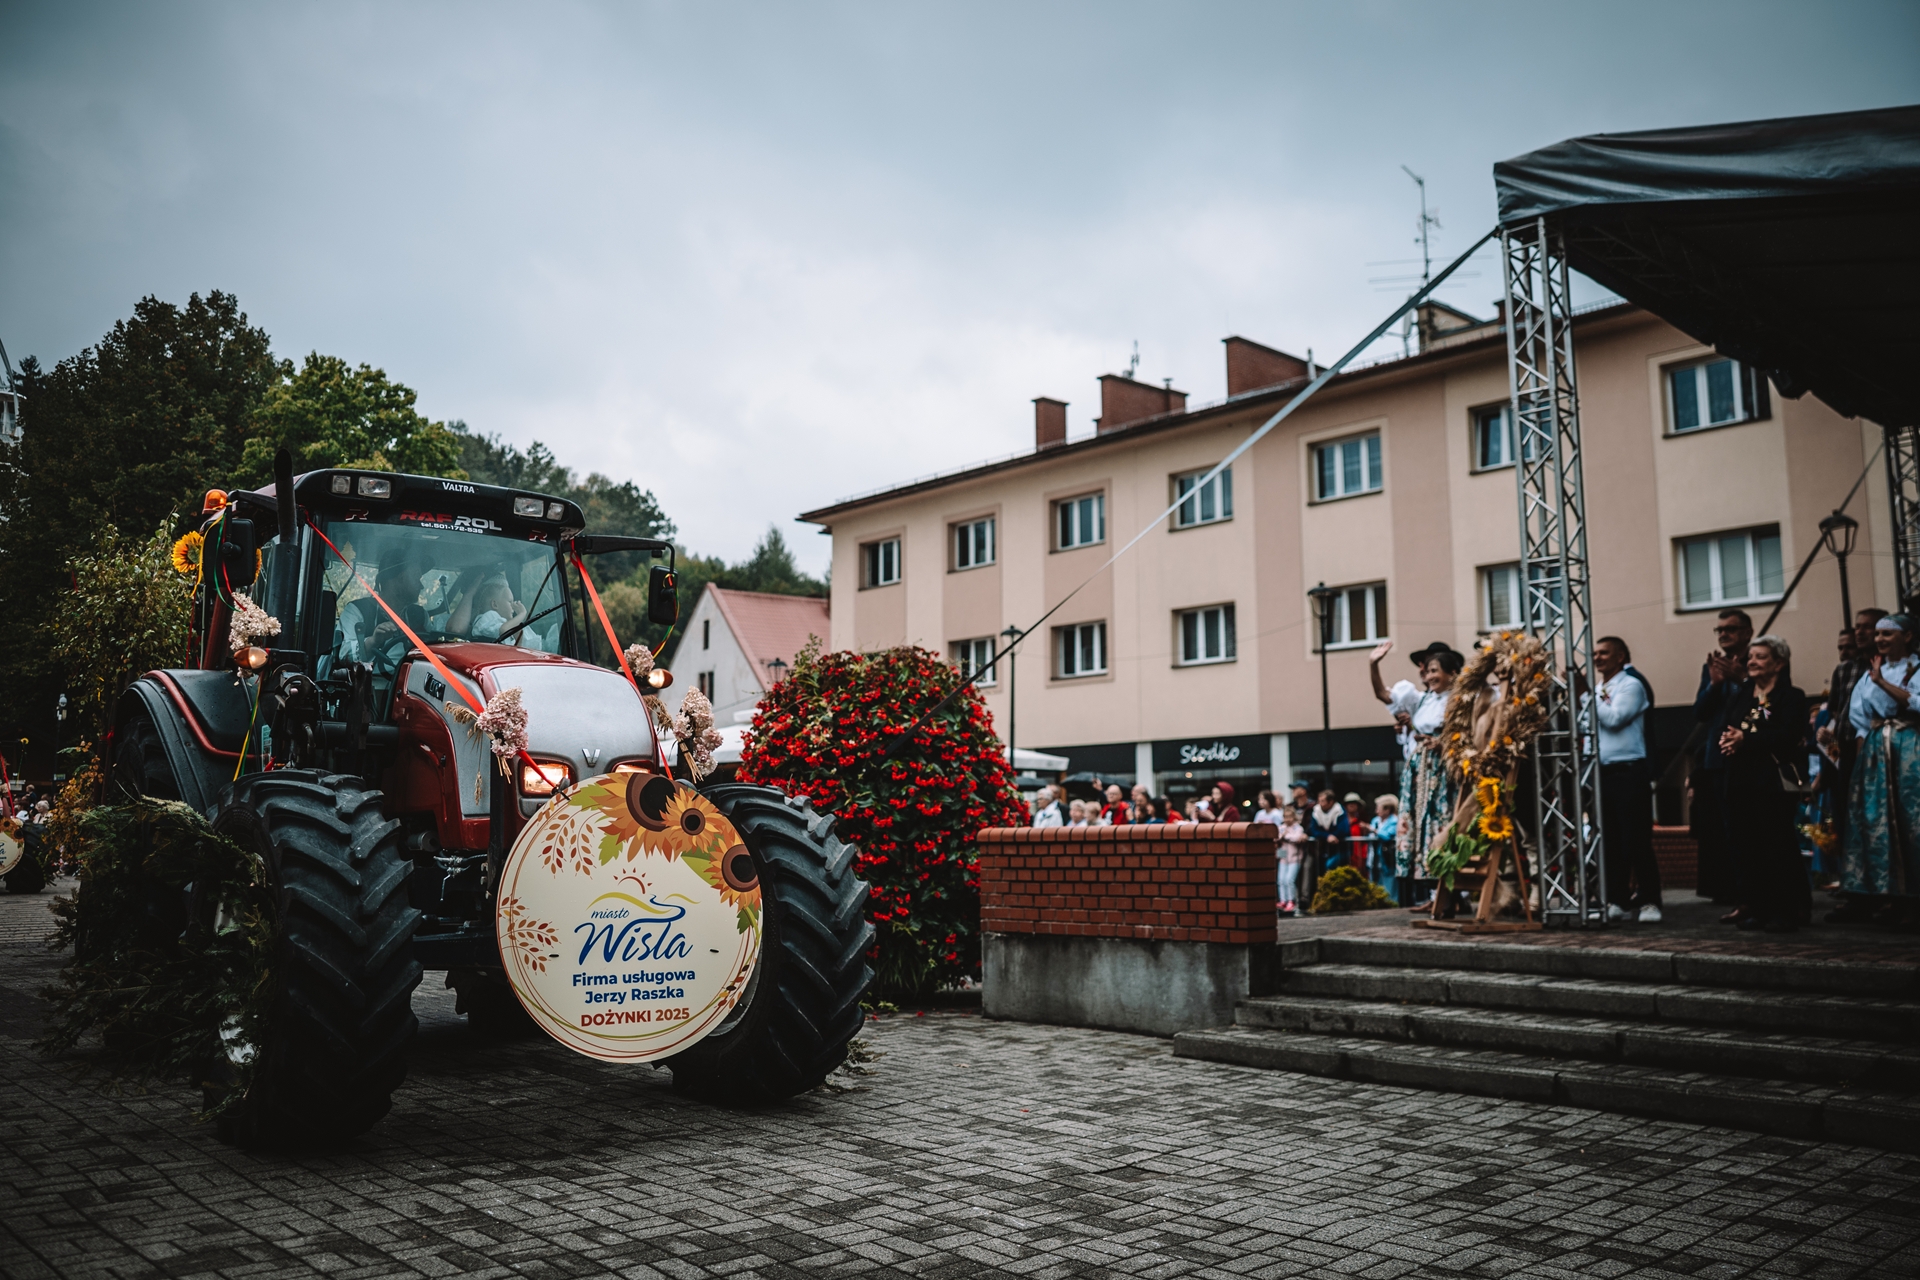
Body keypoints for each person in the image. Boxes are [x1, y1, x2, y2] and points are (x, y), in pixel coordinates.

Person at [1717, 636, 1811, 932]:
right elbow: (1728, 724)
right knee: (1748, 846)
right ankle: (1759, 908)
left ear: (1779, 663)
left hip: (1772, 781)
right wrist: (1728, 740)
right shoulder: (1743, 693)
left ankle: (1790, 910)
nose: (1752, 662)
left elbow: (1789, 734)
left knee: (1777, 845)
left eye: (1760, 657)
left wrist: (1746, 739)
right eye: (1751, 657)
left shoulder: (1791, 696)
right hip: (1740, 779)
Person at [1838, 614, 1920, 925]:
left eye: (1887, 634)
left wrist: (1882, 683)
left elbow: (1917, 703)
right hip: (1876, 750)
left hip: (1910, 747)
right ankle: (1885, 896)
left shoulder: (1915, 669)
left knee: (1909, 818)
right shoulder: (1871, 673)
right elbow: (1860, 718)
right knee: (1877, 820)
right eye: (1878, 635)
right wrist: (1862, 763)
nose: (1880, 640)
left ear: (1907, 636)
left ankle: (1912, 898)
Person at [1592, 635, 1661, 923]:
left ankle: (1650, 901)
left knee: (1636, 839)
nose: (1597, 658)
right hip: (1603, 772)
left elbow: (1614, 718)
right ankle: (1617, 898)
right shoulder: (1599, 688)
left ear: (1620, 656)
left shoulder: (1631, 685)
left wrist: (1586, 698)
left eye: (1604, 653)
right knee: (1610, 840)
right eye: (1595, 653)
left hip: (1630, 770)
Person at [1691, 608, 1754, 909]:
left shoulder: (1759, 659)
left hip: (1748, 755)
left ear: (1747, 633)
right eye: (1720, 630)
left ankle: (1751, 893)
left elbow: (1765, 707)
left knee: (1745, 826)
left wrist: (1742, 679)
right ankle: (1728, 889)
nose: (1724, 634)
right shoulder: (1713, 666)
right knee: (1720, 828)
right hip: (1717, 757)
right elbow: (1701, 713)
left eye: (1730, 629)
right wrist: (1714, 684)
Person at [1394, 643, 1463, 900]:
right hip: (1421, 767)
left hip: (1442, 768)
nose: (1429, 675)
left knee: (1440, 819)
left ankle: (1451, 894)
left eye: (1435, 670)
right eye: (1428, 671)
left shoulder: (1460, 700)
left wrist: (1444, 743)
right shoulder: (1426, 699)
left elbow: (1469, 733)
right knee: (1422, 821)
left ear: (1452, 673)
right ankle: (1434, 893)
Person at [1276, 805, 1309, 916]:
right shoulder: (1281, 827)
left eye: (1290, 817)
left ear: (1294, 817)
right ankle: (1283, 900)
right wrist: (1282, 836)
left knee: (1290, 880)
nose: (1287, 819)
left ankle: (1291, 900)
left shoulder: (1298, 828)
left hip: (1294, 857)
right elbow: (1276, 837)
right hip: (1283, 857)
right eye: (1285, 817)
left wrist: (1286, 836)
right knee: (1281, 880)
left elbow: (1296, 838)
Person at [1371, 795, 1400, 896]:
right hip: (1375, 857)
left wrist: (1374, 831)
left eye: (1378, 808)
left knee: (1389, 886)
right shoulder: (1375, 821)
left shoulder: (1395, 821)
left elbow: (1387, 836)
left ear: (1387, 810)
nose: (1376, 811)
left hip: (1388, 857)